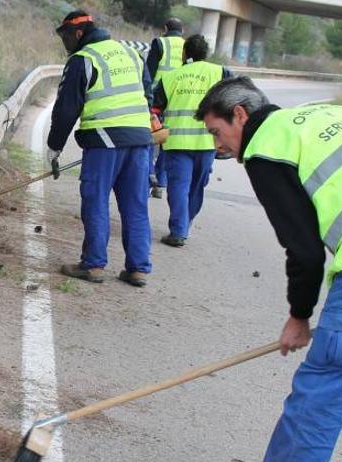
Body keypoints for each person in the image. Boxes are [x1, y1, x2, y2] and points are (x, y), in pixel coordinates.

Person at [196, 76, 342, 462]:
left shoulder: (265, 148)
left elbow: (304, 249)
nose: (219, 147)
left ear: (241, 115)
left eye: (218, 133)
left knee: (318, 399)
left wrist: (299, 316)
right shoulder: (334, 113)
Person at [47, 10, 153, 287]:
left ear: (79, 33)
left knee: (95, 201)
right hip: (141, 140)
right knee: (136, 205)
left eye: (66, 36)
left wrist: (54, 146)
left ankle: (93, 264)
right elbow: (148, 93)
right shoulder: (130, 54)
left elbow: (66, 109)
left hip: (105, 141)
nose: (65, 43)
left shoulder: (83, 59)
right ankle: (138, 268)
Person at [152, 35, 232, 247]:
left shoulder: (171, 77)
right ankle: (183, 227)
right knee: (197, 187)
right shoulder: (221, 73)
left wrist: (156, 129)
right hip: (207, 144)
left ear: (185, 53)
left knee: (178, 186)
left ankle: (179, 229)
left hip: (177, 142)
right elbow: (234, 101)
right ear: (206, 53)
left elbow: (155, 108)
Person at [146, 17, 185, 199]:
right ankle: (160, 184)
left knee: (151, 136)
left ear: (165, 28)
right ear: (182, 30)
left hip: (157, 98)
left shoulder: (160, 43)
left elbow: (149, 71)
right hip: (177, 97)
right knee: (166, 141)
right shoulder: (187, 45)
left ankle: (148, 175)